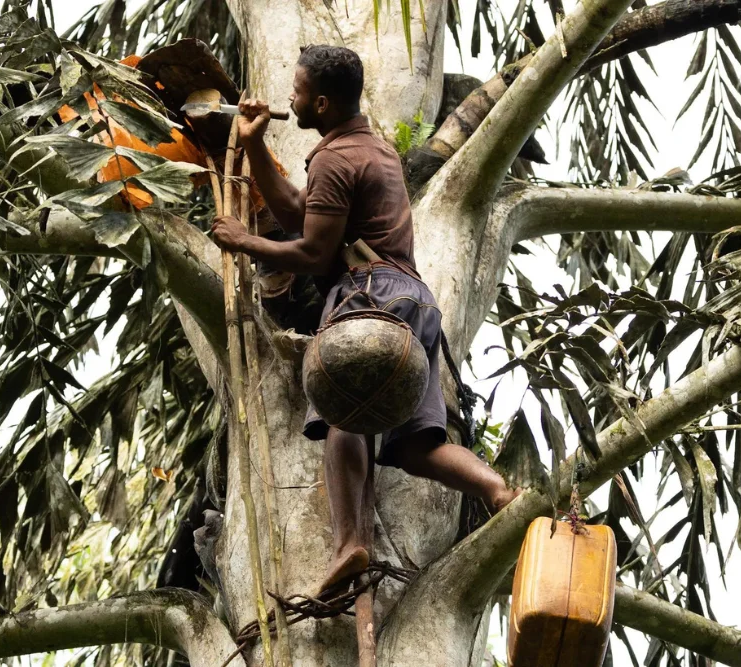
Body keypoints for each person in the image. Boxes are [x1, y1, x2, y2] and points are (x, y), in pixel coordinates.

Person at [210, 45, 520, 594]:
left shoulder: (335, 157)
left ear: (322, 103)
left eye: (299, 91)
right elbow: (296, 212)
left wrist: (243, 241)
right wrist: (256, 145)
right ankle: (498, 492)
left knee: (341, 414)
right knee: (414, 446)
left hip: (367, 294)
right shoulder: (366, 148)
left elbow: (311, 253)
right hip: (414, 304)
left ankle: (350, 541)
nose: (290, 97)